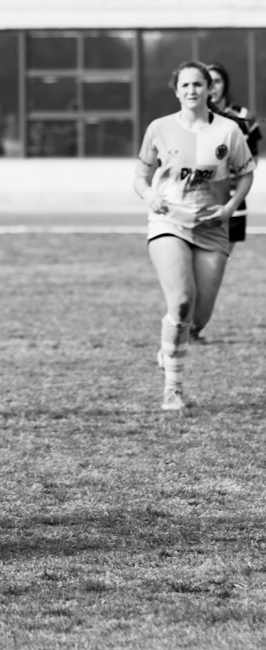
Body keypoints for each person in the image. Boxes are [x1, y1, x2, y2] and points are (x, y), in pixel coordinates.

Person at [133, 61, 255, 411]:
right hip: (168, 221)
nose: (192, 91)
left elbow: (246, 173)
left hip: (212, 227)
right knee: (182, 301)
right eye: (185, 85)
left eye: (198, 85)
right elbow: (140, 175)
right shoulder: (159, 128)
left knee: (198, 318)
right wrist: (148, 194)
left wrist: (231, 206)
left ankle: (170, 345)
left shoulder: (229, 131)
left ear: (209, 90)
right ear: (176, 90)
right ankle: (173, 390)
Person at [206, 63, 262, 258]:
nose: (212, 87)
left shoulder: (243, 117)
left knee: (216, 265)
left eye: (217, 81)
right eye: (207, 81)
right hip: (198, 200)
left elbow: (252, 160)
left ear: (225, 85)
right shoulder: (192, 118)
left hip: (232, 204)